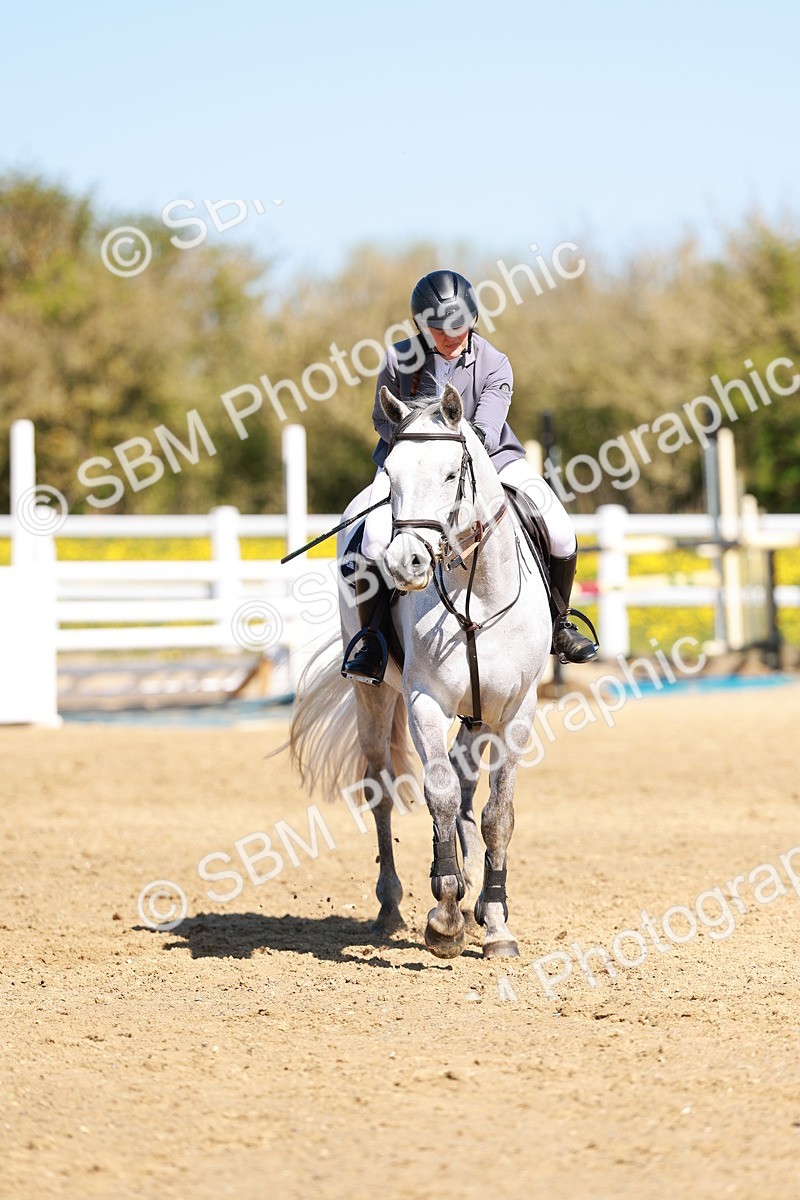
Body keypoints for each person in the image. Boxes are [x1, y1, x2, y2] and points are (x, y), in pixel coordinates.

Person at [341, 269, 598, 684]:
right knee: (371, 538)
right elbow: (381, 419)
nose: (451, 335)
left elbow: (486, 428)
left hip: (492, 460)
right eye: (440, 329)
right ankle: (371, 638)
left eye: (459, 325)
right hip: (412, 464)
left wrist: (454, 451)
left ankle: (559, 623)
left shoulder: (496, 363)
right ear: (422, 326)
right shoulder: (397, 360)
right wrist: (414, 447)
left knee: (561, 530)